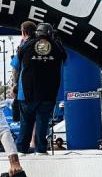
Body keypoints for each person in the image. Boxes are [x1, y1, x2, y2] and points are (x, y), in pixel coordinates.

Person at [16, 22, 66, 155]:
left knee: (26, 123)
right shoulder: (56, 47)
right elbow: (64, 56)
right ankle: (41, 150)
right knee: (42, 123)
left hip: (28, 93)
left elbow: (19, 55)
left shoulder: (27, 46)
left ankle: (21, 149)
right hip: (48, 94)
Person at [10, 20, 36, 139]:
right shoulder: (41, 45)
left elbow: (15, 68)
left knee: (26, 120)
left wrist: (14, 85)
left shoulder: (23, 47)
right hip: (43, 89)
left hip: (25, 91)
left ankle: (25, 145)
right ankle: (37, 145)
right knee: (39, 119)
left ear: (23, 32)